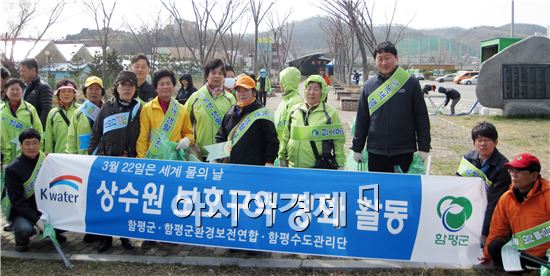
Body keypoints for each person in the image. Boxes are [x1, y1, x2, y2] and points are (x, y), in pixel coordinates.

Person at [351, 41, 431, 173]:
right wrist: (357, 148)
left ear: (396, 58)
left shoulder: (411, 83)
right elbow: (362, 119)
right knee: (377, 190)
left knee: (402, 192)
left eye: (387, 58)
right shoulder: (368, 86)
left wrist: (424, 146)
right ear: (375, 61)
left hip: (404, 150)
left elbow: (421, 116)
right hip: (376, 151)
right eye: (380, 59)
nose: (384, 62)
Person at [88, 70, 141, 252]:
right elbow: (96, 133)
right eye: (123, 85)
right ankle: (105, 238)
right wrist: (92, 158)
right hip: (107, 163)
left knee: (125, 202)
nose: (127, 88)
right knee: (106, 201)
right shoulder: (107, 107)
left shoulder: (140, 109)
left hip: (129, 164)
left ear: (135, 89)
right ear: (116, 87)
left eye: (130, 85)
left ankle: (125, 237)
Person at [481, 153, 550, 271]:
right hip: (521, 254)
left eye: (519, 171)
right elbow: (497, 230)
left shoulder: (547, 196)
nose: (513, 175)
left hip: (546, 257)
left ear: (534, 176)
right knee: (495, 246)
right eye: (511, 170)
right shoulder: (506, 198)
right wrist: (486, 255)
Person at [5, 129, 66, 252]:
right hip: (23, 211)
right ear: (21, 146)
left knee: (67, 218)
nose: (31, 147)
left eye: (35, 142)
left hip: (46, 208)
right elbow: (17, 202)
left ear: (40, 144)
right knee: (24, 228)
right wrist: (37, 220)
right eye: (27, 143)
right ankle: (21, 240)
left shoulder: (47, 160)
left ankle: (54, 232)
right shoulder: (13, 169)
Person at [456, 122, 510, 246]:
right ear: (473, 142)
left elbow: (493, 202)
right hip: (470, 205)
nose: (483, 144)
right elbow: (457, 184)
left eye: (487, 140)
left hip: (491, 210)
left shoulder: (502, 167)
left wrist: (484, 232)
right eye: (479, 140)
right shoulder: (468, 158)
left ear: (496, 142)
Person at [278, 75, 345, 169]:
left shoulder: (331, 113)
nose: (311, 93)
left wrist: (340, 164)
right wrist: (282, 156)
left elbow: (338, 141)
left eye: (316, 89)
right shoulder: (295, 110)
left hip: (317, 168)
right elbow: (286, 135)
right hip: (292, 167)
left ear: (323, 92)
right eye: (309, 89)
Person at [215, 74, 278, 166]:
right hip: (231, 167)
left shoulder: (263, 114)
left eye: (246, 90)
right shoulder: (230, 113)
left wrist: (269, 161)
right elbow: (220, 136)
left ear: (254, 92)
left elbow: (272, 141)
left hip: (254, 168)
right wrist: (217, 158)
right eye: (238, 91)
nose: (242, 94)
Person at [184, 59, 236, 160]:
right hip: (200, 153)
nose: (217, 76)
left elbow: (235, 127)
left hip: (222, 154)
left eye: (220, 73)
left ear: (223, 77)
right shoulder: (195, 97)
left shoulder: (230, 99)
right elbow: (183, 121)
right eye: (213, 73)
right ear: (207, 75)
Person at [137, 69, 194, 159]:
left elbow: (189, 133)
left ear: (173, 86)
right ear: (156, 88)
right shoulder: (148, 109)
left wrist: (187, 139)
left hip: (175, 158)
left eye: (168, 83)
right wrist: (141, 160)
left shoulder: (182, 110)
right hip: (153, 158)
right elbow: (143, 138)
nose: (165, 87)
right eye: (162, 84)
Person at [1, 78, 43, 165]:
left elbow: (39, 132)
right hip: (5, 157)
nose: (15, 92)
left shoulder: (30, 110)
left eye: (18, 89)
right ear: (6, 91)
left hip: (28, 157)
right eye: (12, 89)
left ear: (22, 91)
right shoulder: (1, 110)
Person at [66, 76, 105, 155]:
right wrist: (71, 156)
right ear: (85, 91)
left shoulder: (108, 111)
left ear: (102, 92)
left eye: (97, 89)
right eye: (90, 88)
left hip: (102, 158)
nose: (94, 92)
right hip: (83, 159)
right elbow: (71, 137)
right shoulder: (79, 113)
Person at [44, 79, 81, 154]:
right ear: (58, 94)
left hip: (78, 158)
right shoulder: (53, 113)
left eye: (70, 91)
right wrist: (48, 154)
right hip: (59, 157)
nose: (66, 94)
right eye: (63, 91)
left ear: (74, 94)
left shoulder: (81, 111)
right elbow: (49, 138)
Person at [19, 58, 53, 127]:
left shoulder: (44, 87)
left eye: (24, 71)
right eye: (21, 71)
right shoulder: (22, 86)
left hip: (35, 130)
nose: (21, 74)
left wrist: (38, 130)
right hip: (21, 126)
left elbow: (46, 111)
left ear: (33, 70)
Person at [274, 67, 302, 142]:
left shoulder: (296, 101)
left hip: (287, 146)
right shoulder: (285, 99)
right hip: (280, 143)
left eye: (282, 81)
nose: (280, 84)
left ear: (288, 82)